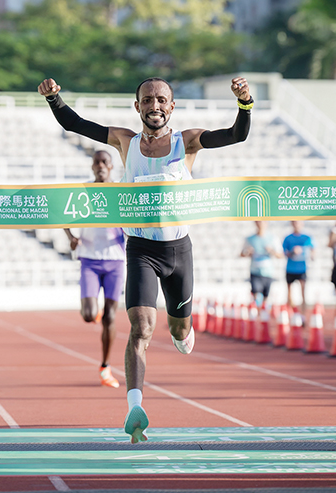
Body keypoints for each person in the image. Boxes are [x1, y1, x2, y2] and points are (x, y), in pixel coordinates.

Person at [38, 75, 253, 444]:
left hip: (178, 250)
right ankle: (134, 408)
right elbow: (77, 124)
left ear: (172, 106)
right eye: (147, 100)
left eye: (161, 100)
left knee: (178, 332)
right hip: (139, 249)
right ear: (137, 107)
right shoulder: (126, 142)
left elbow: (236, 135)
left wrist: (244, 102)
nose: (155, 105)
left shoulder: (187, 142)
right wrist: (54, 99)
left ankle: (184, 328)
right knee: (141, 327)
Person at [63, 150, 126, 389]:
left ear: (111, 167)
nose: (100, 166)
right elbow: (64, 216)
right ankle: (94, 312)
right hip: (89, 259)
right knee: (89, 315)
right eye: (97, 162)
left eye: (105, 162)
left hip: (115, 261)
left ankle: (105, 367)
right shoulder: (83, 192)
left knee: (111, 316)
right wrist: (71, 237)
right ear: (92, 167)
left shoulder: (121, 192)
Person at [240, 221, 282, 309]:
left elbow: (280, 255)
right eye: (258, 222)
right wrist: (248, 252)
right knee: (257, 296)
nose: (260, 224)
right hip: (255, 271)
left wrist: (271, 251)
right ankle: (257, 316)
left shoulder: (272, 238)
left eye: (262, 222)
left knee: (266, 299)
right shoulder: (250, 239)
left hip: (268, 272)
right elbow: (242, 254)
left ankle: (264, 317)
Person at [282, 220, 313, 318]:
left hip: (302, 269)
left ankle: (303, 316)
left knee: (303, 294)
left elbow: (313, 250)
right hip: (290, 268)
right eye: (295, 223)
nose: (297, 225)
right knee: (289, 294)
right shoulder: (288, 238)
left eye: (298, 223)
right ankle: (291, 314)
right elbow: (284, 253)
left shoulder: (307, 238)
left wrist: (310, 254)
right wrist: (292, 252)